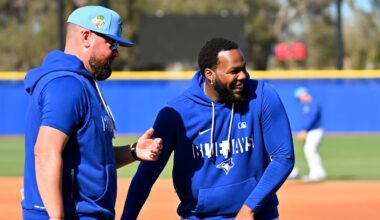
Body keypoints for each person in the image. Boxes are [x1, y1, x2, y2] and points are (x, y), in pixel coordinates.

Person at [122, 38, 294, 220]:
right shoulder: (176, 113)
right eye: (234, 71)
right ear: (210, 74)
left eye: (243, 68)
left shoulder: (263, 95)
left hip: (257, 214)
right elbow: (146, 175)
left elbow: (284, 157)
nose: (243, 75)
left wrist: (250, 207)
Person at [22, 5, 162, 220]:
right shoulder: (66, 85)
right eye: (111, 43)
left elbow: (91, 157)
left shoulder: (83, 84)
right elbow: (45, 151)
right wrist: (57, 216)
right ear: (86, 37)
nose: (116, 52)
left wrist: (133, 151)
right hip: (72, 214)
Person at [289, 87, 326, 182]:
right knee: (310, 151)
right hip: (310, 131)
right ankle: (319, 172)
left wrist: (305, 130)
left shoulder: (313, 104)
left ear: (304, 94)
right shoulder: (306, 105)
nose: (299, 101)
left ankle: (316, 174)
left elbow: (313, 119)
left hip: (315, 130)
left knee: (309, 150)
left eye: (299, 98)